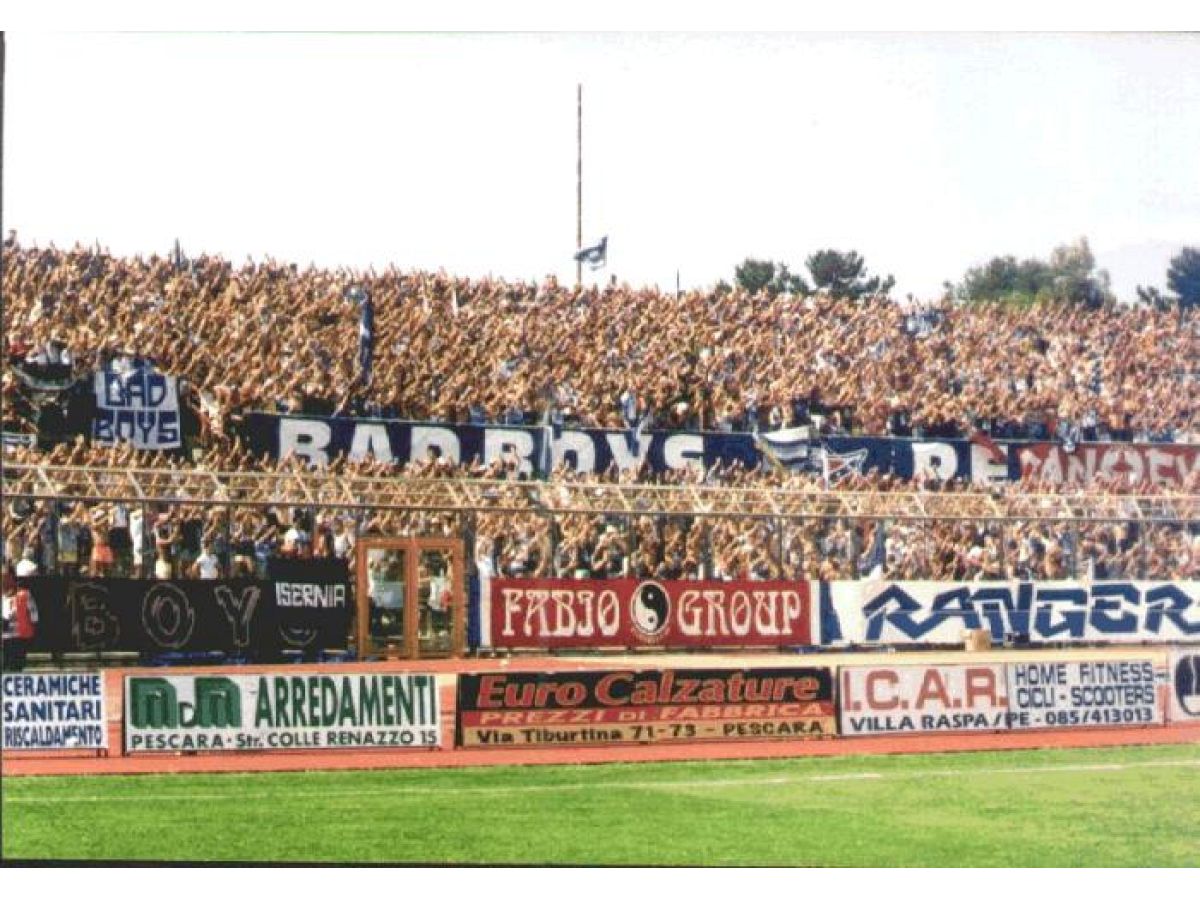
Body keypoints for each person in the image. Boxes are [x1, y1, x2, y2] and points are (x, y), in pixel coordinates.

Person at [2, 575, 39, 672]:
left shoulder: (24, 595)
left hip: (17, 633)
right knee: (10, 661)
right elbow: (33, 613)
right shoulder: (23, 595)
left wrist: (34, 622)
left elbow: (33, 612)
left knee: (14, 661)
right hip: (9, 634)